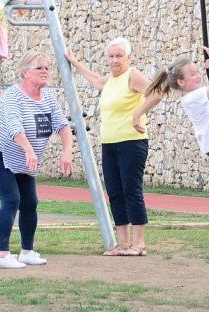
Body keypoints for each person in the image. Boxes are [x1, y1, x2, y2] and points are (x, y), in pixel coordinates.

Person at [0, 51, 74, 269]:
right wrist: (29, 150)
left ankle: (27, 252)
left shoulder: (48, 98)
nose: (45, 71)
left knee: (30, 203)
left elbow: (62, 126)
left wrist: (67, 151)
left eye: (47, 67)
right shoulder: (13, 95)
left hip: (24, 159)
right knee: (12, 199)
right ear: (25, 73)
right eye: (39, 68)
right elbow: (14, 126)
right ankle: (2, 254)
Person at [66, 37, 156, 256]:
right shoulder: (111, 80)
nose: (115, 60)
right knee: (115, 192)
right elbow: (97, 81)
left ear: (129, 57)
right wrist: (75, 63)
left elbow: (156, 92)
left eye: (119, 56)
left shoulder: (132, 75)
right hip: (109, 144)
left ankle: (139, 244)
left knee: (131, 190)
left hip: (132, 142)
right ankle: (123, 244)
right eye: (111, 56)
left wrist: (138, 113)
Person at [134, 45, 209, 175]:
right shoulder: (197, 96)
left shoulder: (187, 96)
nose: (198, 76)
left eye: (198, 72)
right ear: (181, 82)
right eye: (193, 74)